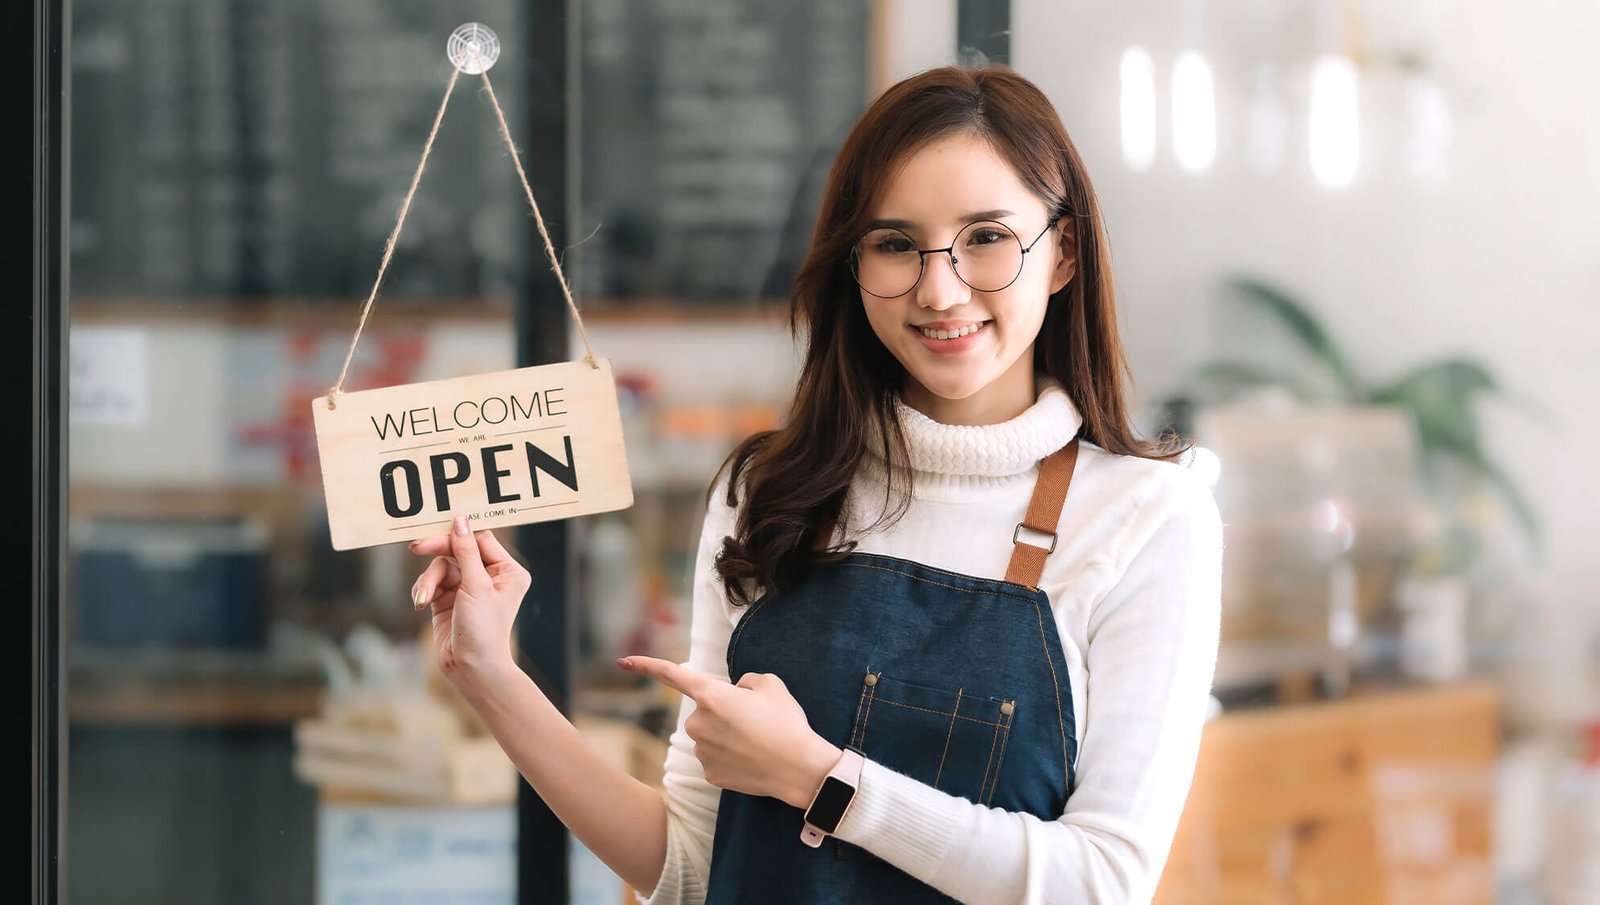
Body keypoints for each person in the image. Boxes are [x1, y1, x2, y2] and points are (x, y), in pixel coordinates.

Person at [407, 64, 1223, 904]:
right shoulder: (769, 489)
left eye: (986, 237)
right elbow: (692, 867)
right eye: (896, 243)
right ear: (852, 262)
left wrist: (819, 779)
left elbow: (1103, 882)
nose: (939, 289)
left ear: (1062, 253)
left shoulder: (1147, 517)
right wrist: (490, 674)